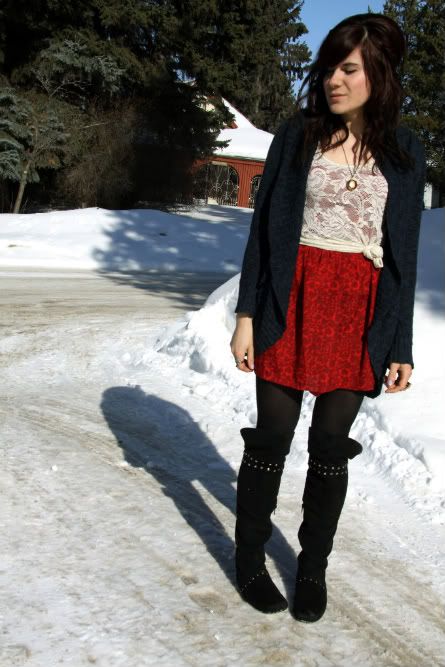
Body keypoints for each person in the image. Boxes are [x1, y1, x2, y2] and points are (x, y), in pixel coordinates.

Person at [230, 13, 426, 623]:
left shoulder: (405, 151)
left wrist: (401, 344)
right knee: (271, 438)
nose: (333, 80)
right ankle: (250, 558)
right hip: (290, 301)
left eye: (349, 69)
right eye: (329, 68)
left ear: (380, 74)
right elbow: (264, 232)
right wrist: (245, 313)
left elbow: (405, 255)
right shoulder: (298, 136)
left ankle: (312, 568)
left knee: (329, 447)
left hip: (361, 313)